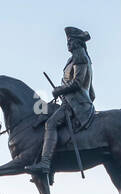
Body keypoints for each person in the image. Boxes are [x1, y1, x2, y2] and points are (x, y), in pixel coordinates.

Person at [24, 27, 95, 177]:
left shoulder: (80, 56)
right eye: (67, 41)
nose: (68, 44)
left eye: (70, 41)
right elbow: (91, 91)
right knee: (45, 111)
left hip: (76, 104)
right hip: (71, 101)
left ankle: (45, 163)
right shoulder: (76, 58)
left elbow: (78, 82)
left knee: (51, 124)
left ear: (77, 42)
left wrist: (60, 90)